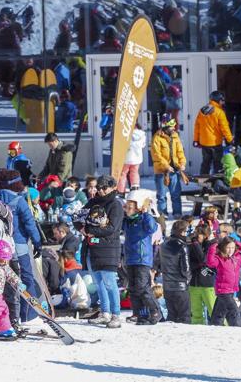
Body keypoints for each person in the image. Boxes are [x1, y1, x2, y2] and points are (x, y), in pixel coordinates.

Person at [0, 169, 41, 324]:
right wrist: (38, 243)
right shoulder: (19, 201)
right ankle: (28, 314)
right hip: (18, 245)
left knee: (0, 279)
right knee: (26, 278)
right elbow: (30, 225)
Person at [83, 175, 124, 329]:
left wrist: (91, 230)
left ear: (113, 187)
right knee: (98, 282)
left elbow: (112, 228)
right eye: (98, 187)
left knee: (109, 282)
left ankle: (116, 314)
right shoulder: (93, 202)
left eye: (103, 187)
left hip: (108, 248)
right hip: (92, 247)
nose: (100, 190)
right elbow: (78, 216)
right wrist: (83, 228)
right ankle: (105, 312)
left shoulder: (116, 205)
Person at [123, 190, 160, 324]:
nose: (127, 209)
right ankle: (139, 313)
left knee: (142, 287)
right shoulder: (128, 221)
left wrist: (146, 213)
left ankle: (155, 311)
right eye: (126, 207)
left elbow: (152, 228)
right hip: (130, 258)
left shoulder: (144, 219)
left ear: (138, 208)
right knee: (132, 288)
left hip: (142, 258)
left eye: (129, 207)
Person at [206, 236, 241, 327]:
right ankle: (236, 328)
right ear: (223, 247)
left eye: (232, 247)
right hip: (223, 290)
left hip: (231, 290)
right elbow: (210, 263)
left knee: (219, 312)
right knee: (234, 310)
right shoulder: (219, 258)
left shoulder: (237, 257)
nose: (230, 250)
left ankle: (215, 326)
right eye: (228, 247)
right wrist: (213, 247)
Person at [151, 118, 186, 219]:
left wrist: (182, 162)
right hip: (161, 171)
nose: (173, 128)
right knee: (161, 195)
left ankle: (177, 212)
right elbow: (156, 155)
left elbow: (180, 151)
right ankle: (163, 213)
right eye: (171, 126)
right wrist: (166, 166)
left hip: (174, 170)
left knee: (176, 193)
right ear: (165, 126)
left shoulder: (175, 136)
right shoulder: (157, 137)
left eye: (174, 126)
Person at [159, 220, 192, 323]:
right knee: (184, 316)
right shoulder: (182, 246)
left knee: (171, 316)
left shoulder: (164, 244)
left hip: (167, 285)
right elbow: (185, 269)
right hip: (180, 286)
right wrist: (188, 280)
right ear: (183, 232)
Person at [193, 91, 233, 174]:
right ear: (218, 100)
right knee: (217, 163)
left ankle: (203, 181)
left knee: (206, 163)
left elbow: (197, 126)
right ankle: (217, 181)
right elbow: (224, 128)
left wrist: (196, 140)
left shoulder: (202, 111)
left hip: (204, 143)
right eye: (222, 100)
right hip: (216, 143)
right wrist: (230, 139)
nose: (223, 102)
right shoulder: (219, 112)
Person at [188, 224, 216, 325]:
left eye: (198, 234)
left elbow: (204, 259)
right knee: (196, 313)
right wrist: (199, 264)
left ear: (206, 235)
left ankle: (222, 330)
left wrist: (196, 244)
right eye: (195, 233)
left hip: (207, 284)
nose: (195, 236)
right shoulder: (192, 245)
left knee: (213, 310)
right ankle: (197, 331)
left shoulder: (212, 245)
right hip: (194, 283)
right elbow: (189, 263)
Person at [118, 123, 146, 193]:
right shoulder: (142, 134)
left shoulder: (125, 132)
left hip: (126, 157)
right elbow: (143, 145)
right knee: (134, 172)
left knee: (123, 174)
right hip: (137, 158)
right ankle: (135, 187)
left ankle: (121, 190)